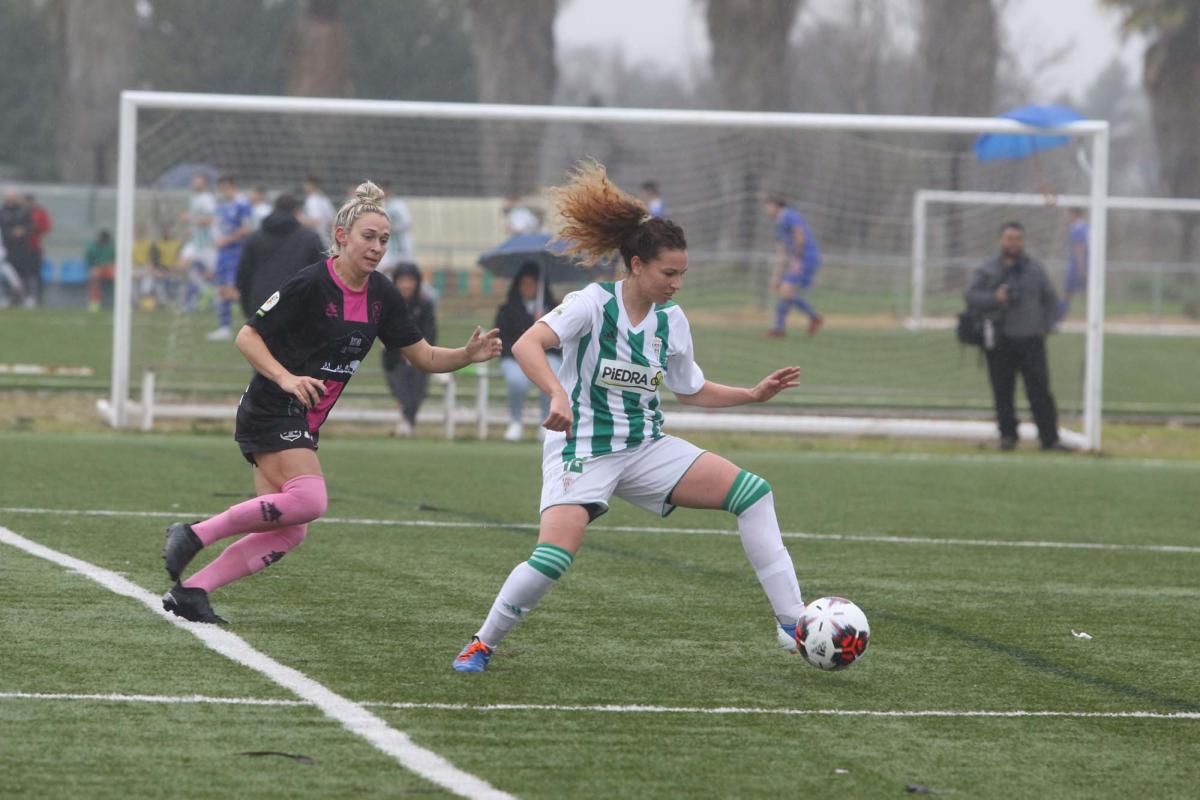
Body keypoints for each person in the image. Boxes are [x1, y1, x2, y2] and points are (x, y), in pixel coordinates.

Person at [452, 161, 806, 673]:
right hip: (583, 447)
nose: (677, 284)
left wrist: (751, 394)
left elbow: (691, 389)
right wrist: (556, 394)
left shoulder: (671, 320)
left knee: (753, 493)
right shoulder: (593, 304)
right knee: (553, 558)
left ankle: (791, 621)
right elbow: (530, 343)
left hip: (645, 448)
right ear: (637, 265)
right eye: (669, 273)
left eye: (683, 273)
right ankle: (482, 643)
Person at [160, 181, 502, 624]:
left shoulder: (381, 295)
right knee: (311, 499)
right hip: (271, 406)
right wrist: (286, 378)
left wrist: (465, 355)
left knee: (288, 532)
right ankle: (191, 534)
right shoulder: (311, 283)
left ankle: (192, 592)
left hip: (302, 420)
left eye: (384, 239)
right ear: (341, 236)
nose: (377, 247)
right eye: (368, 237)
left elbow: (422, 356)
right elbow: (248, 336)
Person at [965, 222, 1069, 452]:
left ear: (1023, 241)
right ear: (1000, 240)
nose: (1013, 243)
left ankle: (1049, 438)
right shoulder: (987, 269)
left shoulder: (1035, 268)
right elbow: (971, 297)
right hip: (999, 338)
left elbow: (1050, 298)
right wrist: (995, 298)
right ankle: (1008, 436)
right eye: (1009, 238)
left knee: (1040, 390)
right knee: (1003, 391)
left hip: (1031, 339)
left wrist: (1048, 324)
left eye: (1018, 238)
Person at [494, 261, 560, 442]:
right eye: (525, 284)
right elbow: (503, 338)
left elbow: (561, 340)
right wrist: (529, 325)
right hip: (514, 357)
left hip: (547, 356)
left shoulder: (555, 309)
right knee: (517, 380)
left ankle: (546, 421)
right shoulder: (506, 309)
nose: (528, 288)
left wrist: (544, 322)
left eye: (533, 284)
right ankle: (515, 421)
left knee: (551, 375)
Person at [235, 193, 325, 321]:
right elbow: (322, 274)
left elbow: (243, 276)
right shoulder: (309, 239)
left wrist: (248, 309)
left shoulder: (254, 238)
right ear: (296, 211)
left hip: (260, 305)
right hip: (297, 306)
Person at [382, 263, 437, 437]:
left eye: (410, 280)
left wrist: (416, 352)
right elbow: (383, 329)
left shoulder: (425, 304)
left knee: (418, 388)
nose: (406, 285)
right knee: (401, 387)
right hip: (393, 355)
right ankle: (407, 421)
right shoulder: (388, 302)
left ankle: (406, 423)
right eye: (402, 280)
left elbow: (430, 331)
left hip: (420, 356)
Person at [764, 195, 823, 337]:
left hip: (806, 258)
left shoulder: (789, 215)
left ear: (776, 205)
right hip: (799, 259)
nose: (766, 210)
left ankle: (811, 318)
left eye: (767, 206)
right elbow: (781, 252)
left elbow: (799, 235)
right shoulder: (779, 223)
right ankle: (781, 328)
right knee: (786, 293)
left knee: (786, 291)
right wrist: (776, 277)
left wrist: (797, 258)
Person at [207, 175, 254, 341]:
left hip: (236, 253)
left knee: (232, 290)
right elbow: (218, 226)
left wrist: (227, 240)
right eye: (221, 188)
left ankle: (255, 322)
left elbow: (247, 228)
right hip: (222, 253)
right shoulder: (222, 205)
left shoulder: (242, 204)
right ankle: (224, 327)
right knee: (221, 289)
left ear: (232, 186)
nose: (223, 191)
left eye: (225, 188)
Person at [179, 173, 217, 312]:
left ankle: (210, 294)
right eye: (194, 182)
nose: (195, 185)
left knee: (214, 274)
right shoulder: (194, 198)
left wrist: (191, 219)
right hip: (195, 243)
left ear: (204, 184)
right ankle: (202, 290)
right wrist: (192, 230)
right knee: (182, 265)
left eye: (198, 182)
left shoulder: (207, 199)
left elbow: (210, 220)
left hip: (208, 244)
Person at [0, 189, 36, 308]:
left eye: (12, 197)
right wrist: (11, 233)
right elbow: (3, 230)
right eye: (8, 197)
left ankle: (28, 297)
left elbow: (31, 226)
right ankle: (8, 297)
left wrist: (23, 231)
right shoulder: (2, 211)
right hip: (7, 248)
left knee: (24, 273)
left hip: (23, 248)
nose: (10, 199)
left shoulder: (23, 211)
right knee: (8, 273)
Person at [379, 180, 415, 275]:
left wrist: (394, 228)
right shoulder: (380, 206)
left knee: (406, 272)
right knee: (383, 270)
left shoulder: (399, 204)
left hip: (402, 246)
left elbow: (408, 223)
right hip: (388, 247)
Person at [1058, 208, 1088, 322]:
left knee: (1068, 291)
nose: (1068, 217)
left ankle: (1061, 314)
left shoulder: (1078, 228)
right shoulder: (1086, 227)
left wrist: (1081, 267)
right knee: (1084, 290)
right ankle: (1087, 313)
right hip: (1084, 264)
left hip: (1077, 265)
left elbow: (1079, 248)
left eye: (1070, 215)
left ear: (1075, 215)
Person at [25, 193, 51, 306]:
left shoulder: (40, 212)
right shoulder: (20, 213)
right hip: (21, 248)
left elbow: (47, 227)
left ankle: (38, 297)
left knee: (36, 273)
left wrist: (36, 228)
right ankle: (25, 297)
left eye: (29, 202)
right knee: (24, 273)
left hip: (36, 247)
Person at [300, 175, 336, 249]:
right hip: (326, 241)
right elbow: (333, 220)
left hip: (316, 241)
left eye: (306, 184)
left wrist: (300, 219)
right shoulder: (325, 199)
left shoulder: (312, 200)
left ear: (311, 185)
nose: (304, 186)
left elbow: (316, 221)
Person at [84, 230, 116, 312]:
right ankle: (95, 302)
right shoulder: (92, 247)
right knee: (94, 276)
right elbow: (89, 262)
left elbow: (115, 260)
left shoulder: (111, 246)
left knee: (120, 276)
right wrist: (95, 267)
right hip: (97, 269)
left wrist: (107, 265)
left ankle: (122, 301)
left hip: (109, 269)